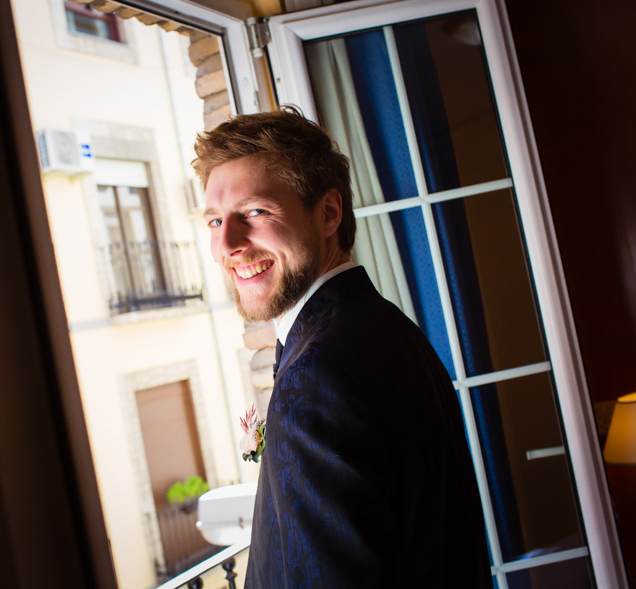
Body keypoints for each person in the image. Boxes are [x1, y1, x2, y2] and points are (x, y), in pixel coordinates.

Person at [194, 107, 491, 588]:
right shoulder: (382, 327)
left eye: (255, 212)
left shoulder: (320, 371)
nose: (228, 244)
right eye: (214, 221)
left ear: (329, 212)